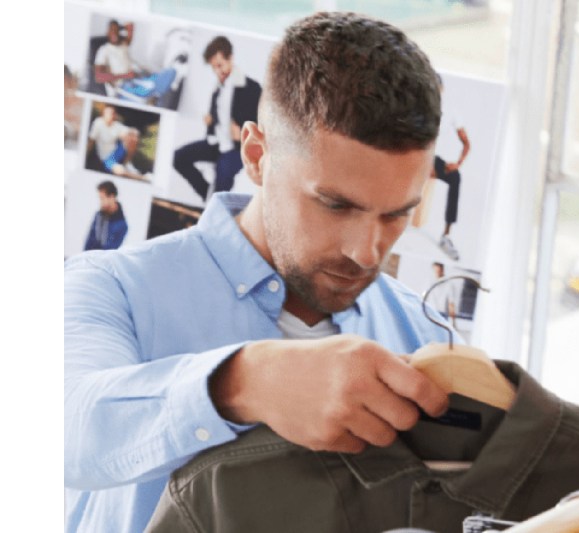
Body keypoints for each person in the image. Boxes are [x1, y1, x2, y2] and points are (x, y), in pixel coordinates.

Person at [65, 12, 452, 532]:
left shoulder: (424, 335)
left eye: (397, 213)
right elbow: (64, 428)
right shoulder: (111, 287)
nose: (367, 252)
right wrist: (244, 382)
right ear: (255, 155)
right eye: (335, 205)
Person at [172, 36, 262, 203]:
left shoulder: (252, 87)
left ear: (231, 58)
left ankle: (216, 204)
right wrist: (210, 123)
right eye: (214, 67)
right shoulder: (217, 89)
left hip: (237, 149)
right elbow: (219, 120)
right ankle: (208, 195)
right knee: (178, 157)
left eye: (220, 65)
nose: (217, 71)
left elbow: (263, 124)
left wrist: (242, 131)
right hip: (215, 144)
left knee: (223, 173)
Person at [431, 74, 470, 261]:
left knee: (456, 178)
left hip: (432, 160)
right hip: (413, 157)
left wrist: (458, 163)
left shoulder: (450, 112)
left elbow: (466, 143)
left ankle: (446, 234)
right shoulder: (415, 107)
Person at [84, 180, 128, 251]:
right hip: (89, 258)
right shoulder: (98, 215)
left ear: (111, 197)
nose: (100, 202)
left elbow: (109, 251)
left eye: (102, 198)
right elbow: (89, 240)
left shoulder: (122, 226)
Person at [86, 104, 128, 172]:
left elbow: (127, 133)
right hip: (106, 157)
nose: (110, 115)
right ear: (103, 114)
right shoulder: (98, 123)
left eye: (112, 113)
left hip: (116, 152)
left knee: (132, 138)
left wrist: (125, 136)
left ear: (114, 115)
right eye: (108, 113)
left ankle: (127, 163)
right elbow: (91, 140)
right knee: (120, 171)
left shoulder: (117, 125)